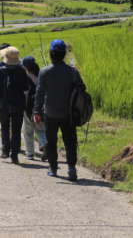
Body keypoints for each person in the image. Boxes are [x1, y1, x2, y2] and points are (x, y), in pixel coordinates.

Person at [33, 39, 86, 181]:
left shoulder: (45, 72)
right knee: (70, 141)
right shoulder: (72, 71)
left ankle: (53, 168)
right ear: (64, 55)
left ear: (51, 54)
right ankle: (72, 169)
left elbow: (39, 93)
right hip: (68, 114)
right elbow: (82, 89)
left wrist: (36, 112)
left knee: (51, 141)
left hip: (50, 113)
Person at [0, 46, 29, 164]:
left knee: (4, 127)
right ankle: (14, 154)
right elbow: (25, 87)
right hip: (18, 103)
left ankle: (5, 150)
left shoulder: (0, 70)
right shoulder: (22, 70)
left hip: (4, 103)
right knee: (16, 130)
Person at [22, 56, 47, 161]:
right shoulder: (41, 74)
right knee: (40, 129)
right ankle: (45, 145)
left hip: (29, 107)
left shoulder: (26, 76)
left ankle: (30, 153)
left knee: (27, 131)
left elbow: (25, 92)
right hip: (42, 106)